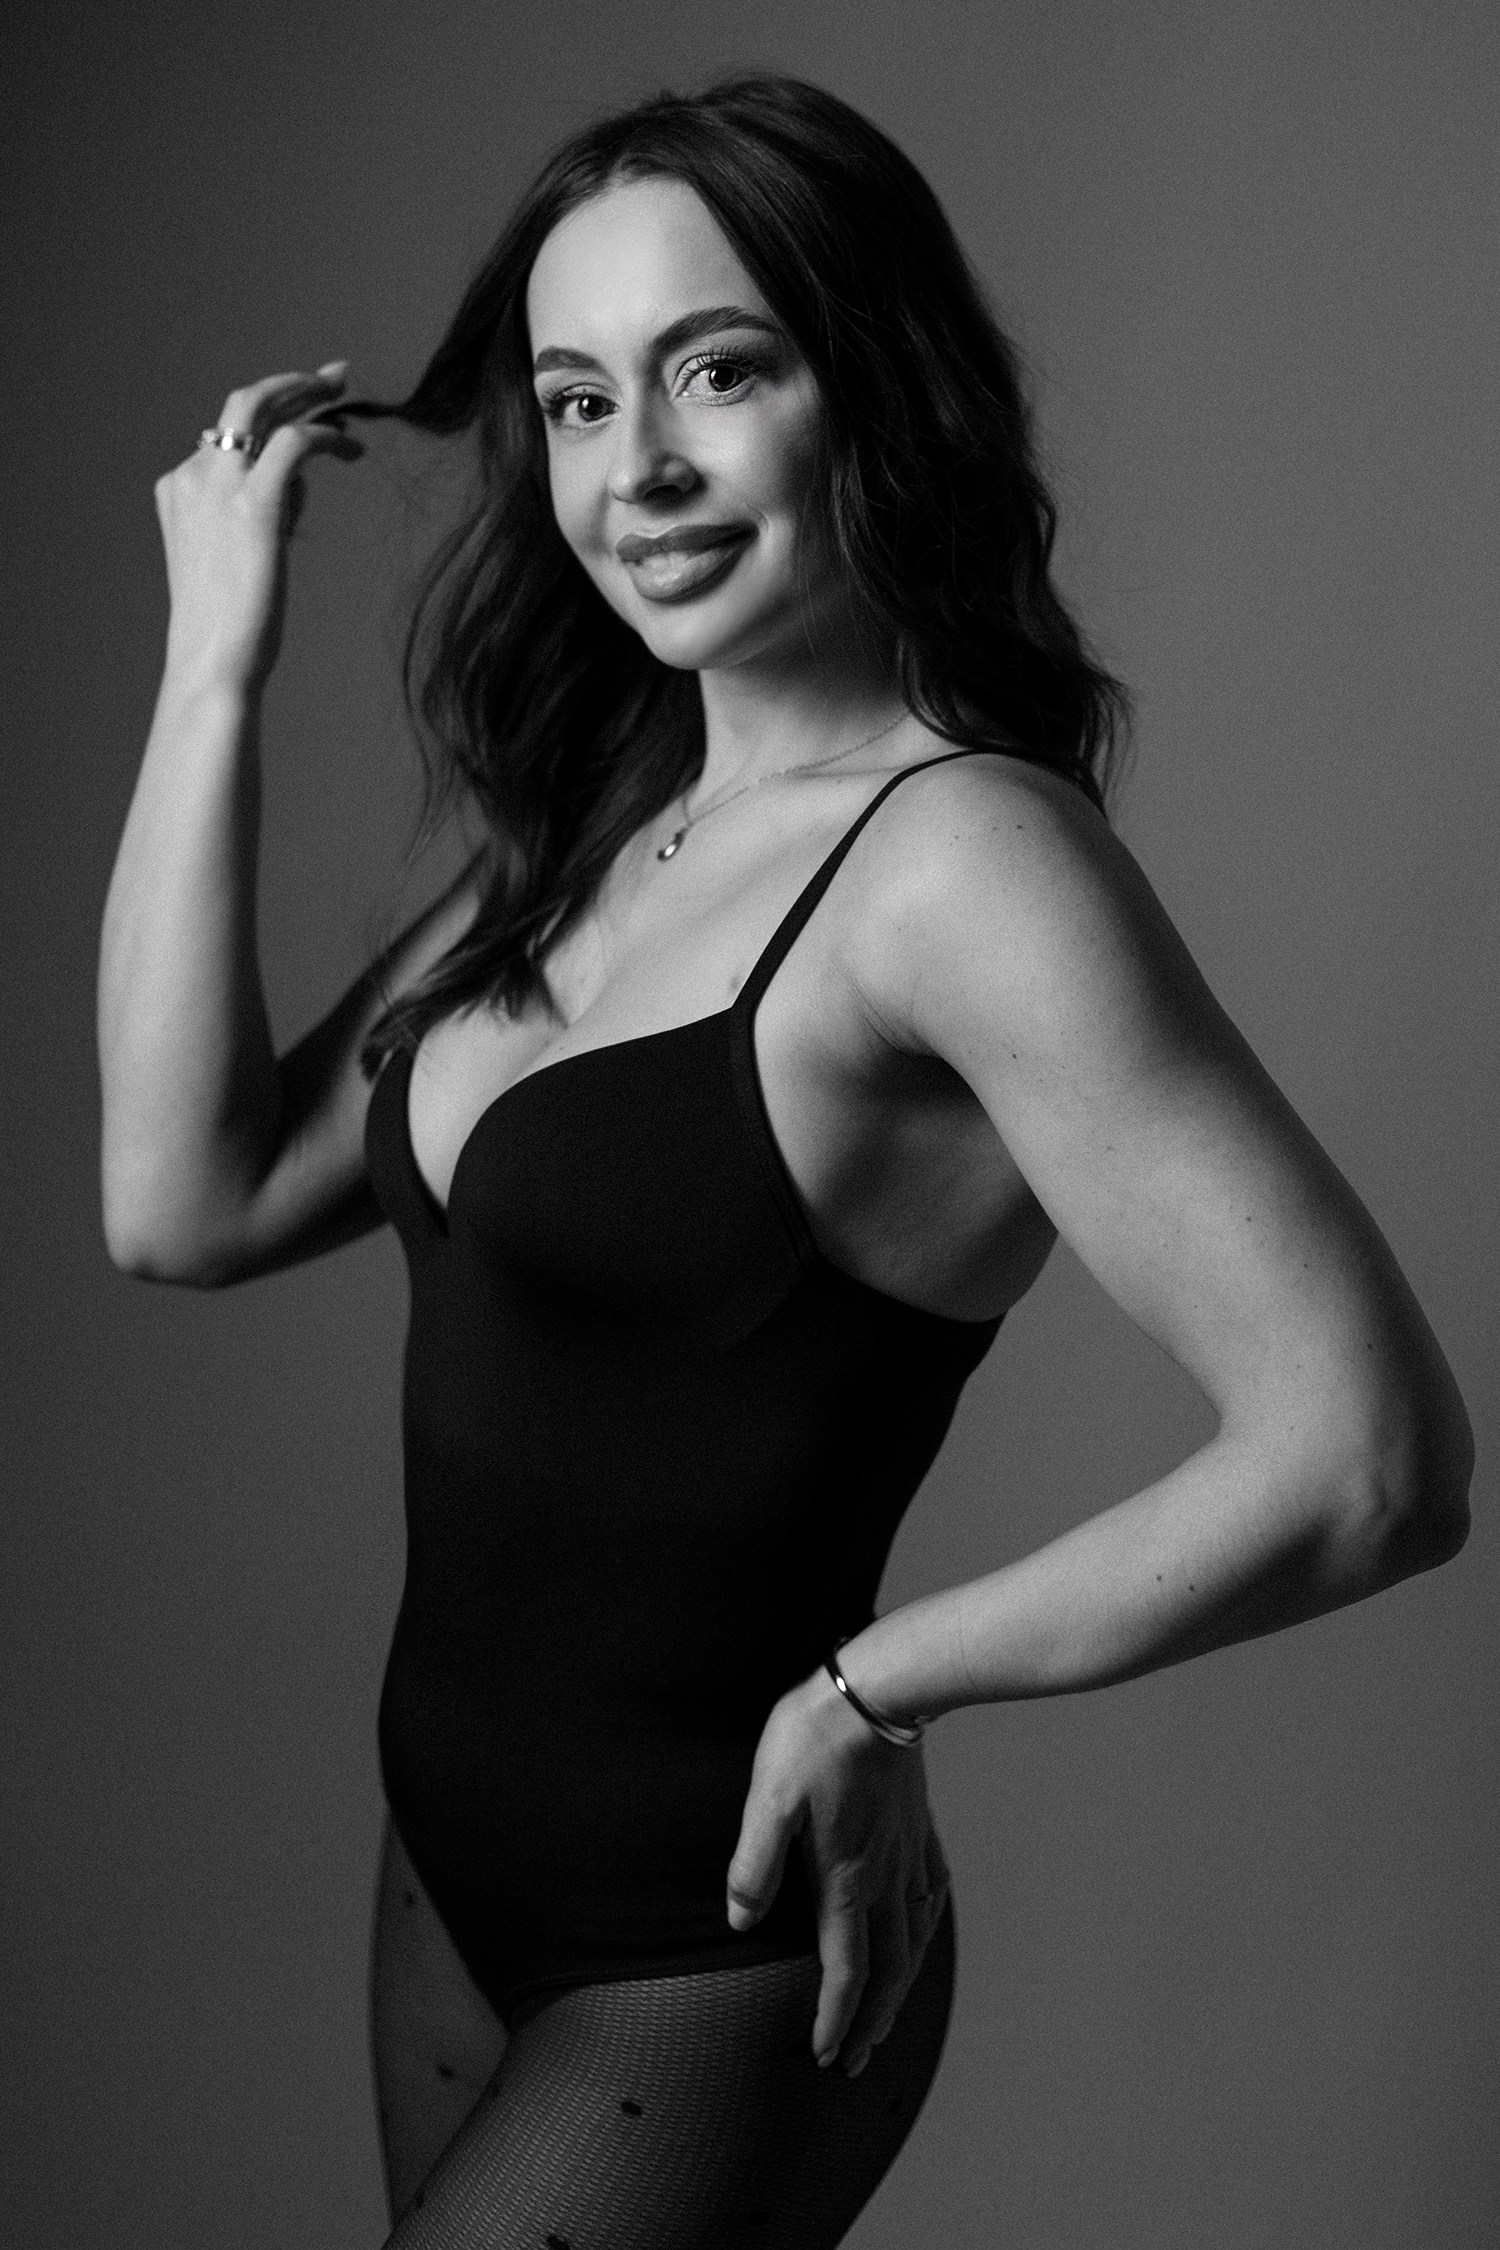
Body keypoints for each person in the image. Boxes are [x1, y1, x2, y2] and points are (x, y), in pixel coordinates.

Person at [98, 71, 1472, 2250]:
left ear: (876, 390)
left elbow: (1373, 1458)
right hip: (442, 1879)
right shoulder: (598, 827)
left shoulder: (963, 867)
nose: (634, 468)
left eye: (719, 373)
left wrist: (880, 1684)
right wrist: (214, 663)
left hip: (702, 1959)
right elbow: (181, 1203)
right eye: (576, 400)